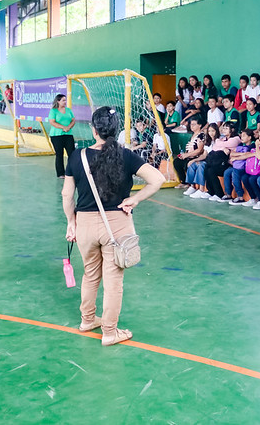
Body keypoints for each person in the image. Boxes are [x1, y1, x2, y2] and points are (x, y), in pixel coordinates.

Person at [62, 107, 165, 346]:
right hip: (117, 225)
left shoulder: (77, 156)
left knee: (90, 275)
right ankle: (109, 332)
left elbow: (67, 196)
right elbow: (157, 179)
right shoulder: (126, 155)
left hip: (85, 224)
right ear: (116, 130)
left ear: (93, 129)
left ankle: (88, 320)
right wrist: (135, 199)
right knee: (113, 281)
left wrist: (71, 222)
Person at [203, 121, 242, 202]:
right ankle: (211, 191)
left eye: (226, 128)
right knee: (207, 168)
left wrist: (221, 145)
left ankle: (219, 193)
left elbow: (223, 143)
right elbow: (215, 147)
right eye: (223, 128)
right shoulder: (223, 139)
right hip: (221, 162)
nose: (224, 130)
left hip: (229, 164)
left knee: (211, 170)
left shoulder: (236, 139)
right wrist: (223, 148)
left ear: (232, 130)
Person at [49, 94, 75, 179]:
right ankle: (60, 173)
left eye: (65, 100)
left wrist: (68, 127)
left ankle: (71, 172)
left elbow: (73, 120)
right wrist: (63, 127)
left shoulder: (68, 110)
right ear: (58, 101)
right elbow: (52, 122)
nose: (65, 102)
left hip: (68, 135)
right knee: (59, 154)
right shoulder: (53, 111)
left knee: (72, 154)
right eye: (63, 100)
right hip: (56, 136)